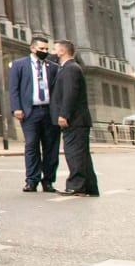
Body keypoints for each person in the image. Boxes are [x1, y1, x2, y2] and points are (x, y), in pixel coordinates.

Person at [7, 36, 60, 192]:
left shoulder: (53, 67)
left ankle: (48, 180)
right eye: (41, 49)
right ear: (32, 48)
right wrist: (16, 108)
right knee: (31, 146)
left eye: (46, 49)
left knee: (51, 147)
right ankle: (32, 180)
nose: (44, 51)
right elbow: (13, 88)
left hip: (49, 112)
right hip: (30, 112)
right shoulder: (19, 65)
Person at [51, 39, 99, 197]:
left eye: (55, 48)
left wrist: (64, 114)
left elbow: (70, 94)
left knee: (74, 153)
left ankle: (76, 185)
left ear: (62, 51)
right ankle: (89, 187)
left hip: (74, 120)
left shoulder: (70, 68)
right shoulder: (69, 68)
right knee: (82, 154)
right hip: (79, 120)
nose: (53, 51)